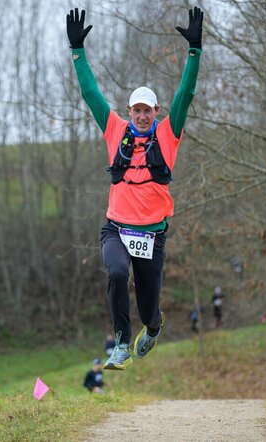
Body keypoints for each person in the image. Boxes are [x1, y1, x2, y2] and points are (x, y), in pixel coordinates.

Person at [66, 7, 204, 370]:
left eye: (148, 110)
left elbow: (186, 94)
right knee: (114, 272)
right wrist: (78, 52)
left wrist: (194, 52)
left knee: (148, 307)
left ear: (156, 111)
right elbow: (90, 93)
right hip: (116, 228)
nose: (142, 116)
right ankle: (122, 343)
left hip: (152, 235)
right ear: (129, 110)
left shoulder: (168, 133)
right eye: (136, 110)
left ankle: (153, 328)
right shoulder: (114, 130)